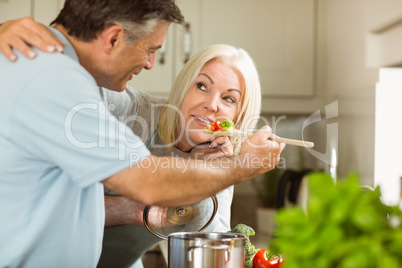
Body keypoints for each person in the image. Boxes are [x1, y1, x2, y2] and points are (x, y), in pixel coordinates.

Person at [0, 1, 284, 267]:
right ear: (113, 39)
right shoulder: (70, 88)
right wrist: (240, 166)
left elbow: (208, 244)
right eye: (150, 49)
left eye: (229, 99)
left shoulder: (49, 72)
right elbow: (149, 181)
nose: (151, 63)